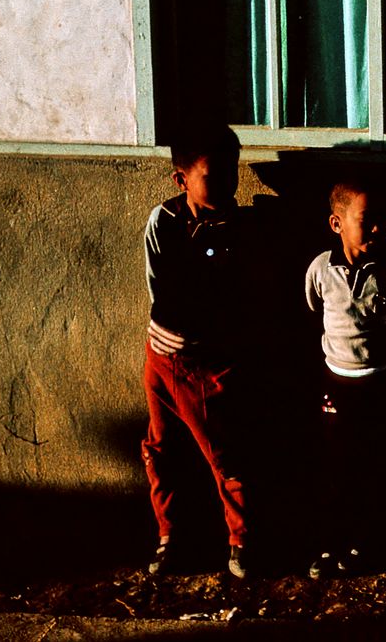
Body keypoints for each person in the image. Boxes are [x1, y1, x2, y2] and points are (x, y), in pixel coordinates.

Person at [140, 122, 252, 578]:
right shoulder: (162, 222)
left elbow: (234, 304)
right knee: (159, 448)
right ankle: (171, 535)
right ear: (181, 179)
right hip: (160, 358)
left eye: (233, 171)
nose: (227, 182)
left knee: (224, 456)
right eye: (213, 174)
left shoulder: (240, 232)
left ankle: (242, 540)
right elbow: (158, 289)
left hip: (208, 365)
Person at [304, 180, 386, 579]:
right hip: (338, 383)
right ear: (337, 224)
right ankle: (331, 541)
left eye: (382, 220)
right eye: (367, 221)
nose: (379, 229)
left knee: (375, 464)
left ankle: (364, 541)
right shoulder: (320, 270)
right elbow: (313, 312)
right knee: (336, 466)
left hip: (382, 382)